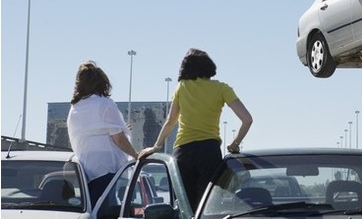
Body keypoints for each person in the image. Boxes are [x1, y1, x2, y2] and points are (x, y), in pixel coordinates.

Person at [139, 48, 253, 211]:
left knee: (186, 207)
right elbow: (247, 119)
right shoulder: (222, 88)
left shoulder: (182, 87)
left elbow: (170, 120)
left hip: (184, 152)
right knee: (207, 206)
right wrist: (235, 144)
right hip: (209, 151)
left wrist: (157, 145)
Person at [67, 61, 138, 206]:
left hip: (85, 171)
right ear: (102, 83)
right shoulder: (105, 104)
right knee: (107, 212)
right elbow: (119, 139)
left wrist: (122, 129)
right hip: (106, 171)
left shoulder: (75, 109)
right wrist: (137, 156)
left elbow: (93, 132)